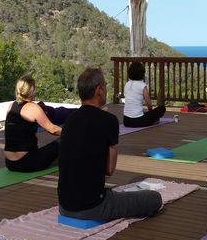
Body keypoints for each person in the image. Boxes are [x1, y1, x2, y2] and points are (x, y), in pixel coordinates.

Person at [58, 67, 162, 221]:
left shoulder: (70, 120)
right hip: (93, 206)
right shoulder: (109, 120)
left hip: (64, 206)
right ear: (99, 90)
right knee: (154, 199)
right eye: (105, 86)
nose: (106, 90)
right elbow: (109, 170)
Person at [4, 76, 62, 172]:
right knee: (63, 140)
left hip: (10, 163)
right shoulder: (33, 107)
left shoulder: (11, 106)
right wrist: (71, 133)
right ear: (31, 91)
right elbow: (53, 130)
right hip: (28, 162)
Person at [123, 62, 166, 127]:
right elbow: (149, 105)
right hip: (138, 121)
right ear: (142, 73)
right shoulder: (142, 85)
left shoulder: (127, 84)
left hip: (126, 121)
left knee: (143, 113)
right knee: (162, 108)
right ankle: (153, 121)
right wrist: (153, 115)